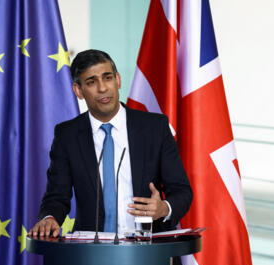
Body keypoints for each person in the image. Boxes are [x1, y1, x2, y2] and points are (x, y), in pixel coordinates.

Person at [29, 49, 192, 237]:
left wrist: (164, 208)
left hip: (148, 249)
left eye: (107, 78)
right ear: (78, 90)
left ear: (118, 80)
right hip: (91, 253)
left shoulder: (155, 128)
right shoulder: (68, 135)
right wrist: (49, 217)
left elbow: (182, 191)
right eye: (91, 82)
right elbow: (57, 196)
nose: (103, 88)